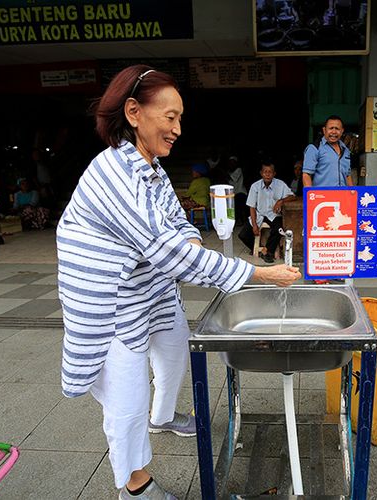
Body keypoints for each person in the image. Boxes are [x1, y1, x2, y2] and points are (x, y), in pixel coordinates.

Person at [55, 65, 300, 500]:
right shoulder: (114, 174)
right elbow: (170, 251)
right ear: (133, 112)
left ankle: (162, 416)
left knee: (174, 348)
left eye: (180, 118)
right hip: (114, 303)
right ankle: (135, 484)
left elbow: (178, 227)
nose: (177, 129)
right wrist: (259, 274)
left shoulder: (152, 170)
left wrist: (185, 240)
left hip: (151, 291)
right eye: (169, 117)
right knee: (125, 400)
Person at [238, 162, 296, 263]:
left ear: (274, 174)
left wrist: (281, 201)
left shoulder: (280, 184)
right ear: (261, 173)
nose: (268, 174)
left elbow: (293, 196)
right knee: (243, 235)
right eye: (265, 172)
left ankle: (268, 253)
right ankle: (259, 249)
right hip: (259, 214)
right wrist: (255, 225)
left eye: (270, 172)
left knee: (278, 230)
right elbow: (251, 207)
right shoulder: (255, 186)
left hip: (274, 215)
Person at [302, 115, 353, 188]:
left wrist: (352, 194)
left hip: (343, 196)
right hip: (323, 197)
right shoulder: (314, 148)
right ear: (324, 130)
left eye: (337, 129)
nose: (334, 132)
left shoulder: (345, 150)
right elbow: (306, 174)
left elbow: (348, 175)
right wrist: (310, 196)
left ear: (342, 131)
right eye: (331, 128)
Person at [226, 155, 248, 224]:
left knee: (238, 206)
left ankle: (241, 221)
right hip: (234, 194)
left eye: (233, 163)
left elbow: (232, 178)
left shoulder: (239, 170)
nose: (231, 164)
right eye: (230, 163)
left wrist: (223, 172)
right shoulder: (229, 172)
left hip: (241, 192)